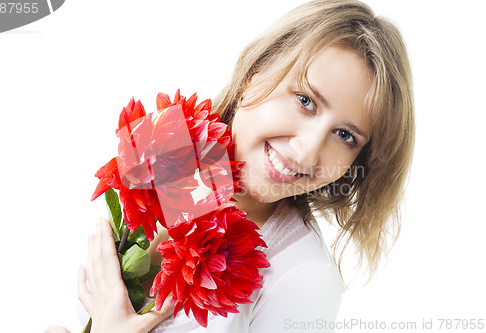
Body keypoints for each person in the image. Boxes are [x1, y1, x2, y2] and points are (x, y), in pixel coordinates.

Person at [46, 0, 414, 332]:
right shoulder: (164, 153)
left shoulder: (304, 279)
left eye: (346, 135)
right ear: (256, 69)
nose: (306, 152)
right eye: (305, 101)